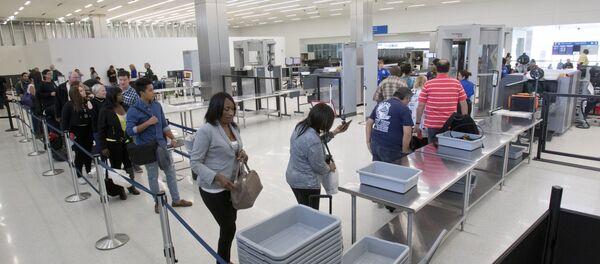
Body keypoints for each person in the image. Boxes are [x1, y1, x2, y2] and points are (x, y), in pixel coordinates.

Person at [190, 92, 248, 264]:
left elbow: (236, 151)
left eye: (233, 109)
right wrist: (217, 177)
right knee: (229, 227)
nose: (231, 113)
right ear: (216, 110)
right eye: (226, 109)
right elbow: (195, 162)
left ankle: (224, 260)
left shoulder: (234, 127)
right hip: (213, 189)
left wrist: (243, 155)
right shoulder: (206, 131)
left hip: (233, 186)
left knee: (230, 224)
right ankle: (222, 261)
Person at [125, 77, 193, 213]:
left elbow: (163, 125)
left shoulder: (157, 106)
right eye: (150, 90)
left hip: (162, 145)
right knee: (152, 176)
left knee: (171, 172)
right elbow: (129, 131)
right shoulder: (133, 110)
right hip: (147, 148)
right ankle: (158, 202)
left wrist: (172, 138)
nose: (153, 92)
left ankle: (176, 200)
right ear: (141, 92)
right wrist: (147, 123)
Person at [286, 103, 350, 210]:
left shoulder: (300, 127)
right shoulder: (313, 140)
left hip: (293, 177)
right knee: (311, 214)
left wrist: (335, 132)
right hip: (307, 184)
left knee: (304, 209)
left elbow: (315, 142)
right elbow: (319, 167)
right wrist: (330, 167)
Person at [98, 88, 140, 199]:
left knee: (129, 165)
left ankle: (131, 186)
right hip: (113, 144)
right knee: (116, 167)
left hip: (126, 142)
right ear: (113, 96)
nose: (122, 96)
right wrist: (103, 147)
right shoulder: (105, 110)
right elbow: (101, 130)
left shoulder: (125, 106)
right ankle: (120, 189)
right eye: (119, 94)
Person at [415, 59, 468, 143]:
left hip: (433, 124)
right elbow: (463, 103)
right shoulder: (456, 83)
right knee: (448, 148)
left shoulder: (428, 84)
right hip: (451, 123)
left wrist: (417, 123)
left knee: (432, 149)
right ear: (449, 69)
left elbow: (421, 106)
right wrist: (464, 121)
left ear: (436, 68)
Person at [366, 88, 414, 163]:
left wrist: (368, 141)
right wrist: (404, 151)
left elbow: (369, 122)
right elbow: (407, 133)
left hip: (375, 143)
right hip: (392, 148)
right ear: (406, 98)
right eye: (409, 100)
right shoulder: (404, 109)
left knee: (378, 170)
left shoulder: (381, 104)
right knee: (392, 172)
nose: (409, 102)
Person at [61, 81, 94, 185]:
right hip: (76, 132)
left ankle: (88, 170)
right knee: (79, 154)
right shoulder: (69, 105)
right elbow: (64, 121)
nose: (83, 92)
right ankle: (79, 174)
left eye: (83, 90)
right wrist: (66, 133)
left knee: (88, 151)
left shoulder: (86, 102)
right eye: (80, 91)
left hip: (88, 130)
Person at [90, 84, 106, 155]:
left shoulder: (107, 100)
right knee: (102, 149)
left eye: (105, 90)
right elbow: (95, 117)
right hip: (98, 130)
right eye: (103, 91)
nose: (105, 92)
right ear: (96, 92)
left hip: (108, 129)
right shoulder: (92, 102)